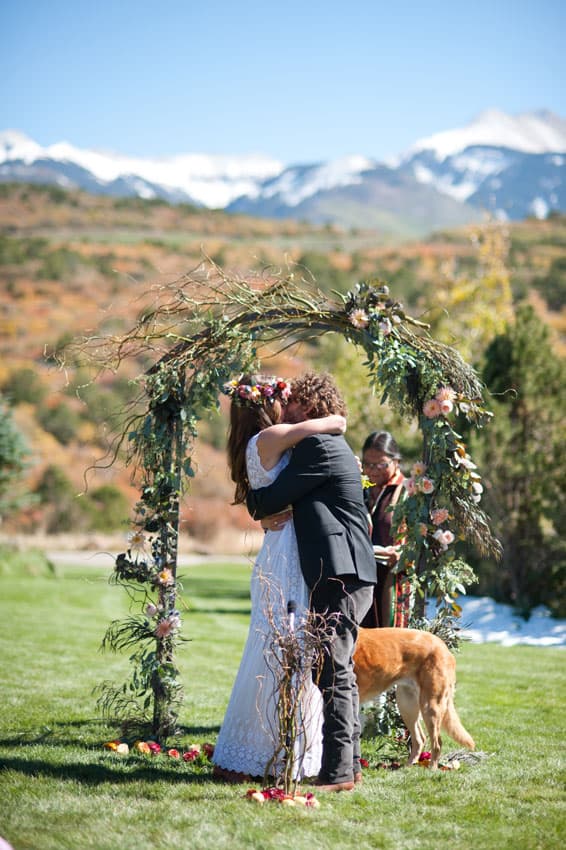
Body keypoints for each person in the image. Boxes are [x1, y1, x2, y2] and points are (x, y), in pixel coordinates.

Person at [212, 373, 347, 784]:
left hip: (283, 544)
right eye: (282, 399)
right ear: (266, 405)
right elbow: (333, 423)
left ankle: (279, 748)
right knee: (284, 647)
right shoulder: (270, 437)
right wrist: (333, 421)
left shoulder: (256, 443)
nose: (286, 407)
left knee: (285, 647)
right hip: (287, 551)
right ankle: (266, 751)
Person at [247, 372, 376, 793]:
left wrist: (254, 502)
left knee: (332, 671)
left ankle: (337, 773)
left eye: (296, 403)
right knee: (340, 672)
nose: (288, 410)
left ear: (310, 407)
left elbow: (271, 497)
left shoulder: (317, 447)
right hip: (351, 572)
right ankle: (350, 766)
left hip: (340, 573)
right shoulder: (329, 443)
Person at [360, 430, 409, 628]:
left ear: (396, 461)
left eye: (381, 464)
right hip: (362, 581)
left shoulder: (408, 491)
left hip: (394, 582)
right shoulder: (359, 489)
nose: (373, 471)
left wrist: (404, 553)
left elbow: (425, 539)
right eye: (367, 464)